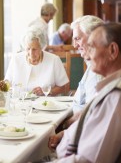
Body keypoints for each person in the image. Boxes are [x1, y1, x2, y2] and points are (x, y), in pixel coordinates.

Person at [54, 23, 121, 162]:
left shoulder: (116, 97)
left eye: (91, 47)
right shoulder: (109, 86)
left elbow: (90, 160)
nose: (86, 53)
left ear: (112, 51)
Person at [48, 15, 104, 151]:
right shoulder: (91, 65)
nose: (74, 45)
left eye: (78, 38)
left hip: (82, 141)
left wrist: (64, 129)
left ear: (93, 37)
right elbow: (87, 105)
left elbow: (91, 115)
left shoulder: (100, 70)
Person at [5, 27, 69, 96]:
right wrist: (0, 86)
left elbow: (63, 87)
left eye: (34, 49)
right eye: (28, 49)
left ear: (42, 47)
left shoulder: (54, 60)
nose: (31, 53)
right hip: (20, 102)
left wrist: (47, 92)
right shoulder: (16, 59)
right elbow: (7, 83)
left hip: (46, 103)